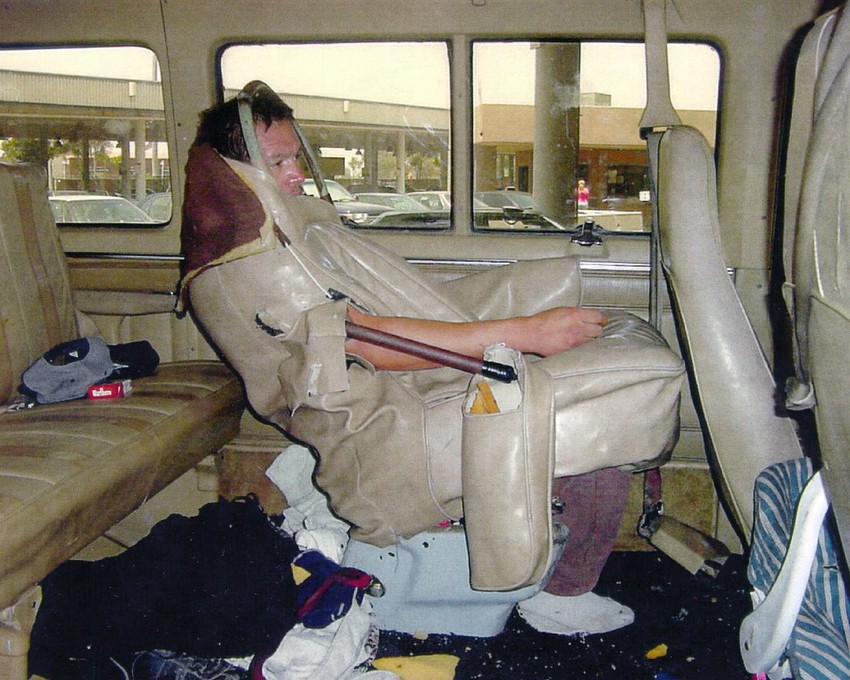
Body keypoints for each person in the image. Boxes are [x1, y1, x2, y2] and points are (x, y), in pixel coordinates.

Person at [179, 83, 684, 635]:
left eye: (296, 158)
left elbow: (382, 315)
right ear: (234, 174)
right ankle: (561, 594)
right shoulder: (257, 266)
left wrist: (529, 326)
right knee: (604, 414)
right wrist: (525, 333)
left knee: (593, 391)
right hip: (387, 429)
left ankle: (552, 570)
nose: (297, 174)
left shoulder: (296, 234)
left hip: (406, 391)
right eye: (278, 162)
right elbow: (361, 342)